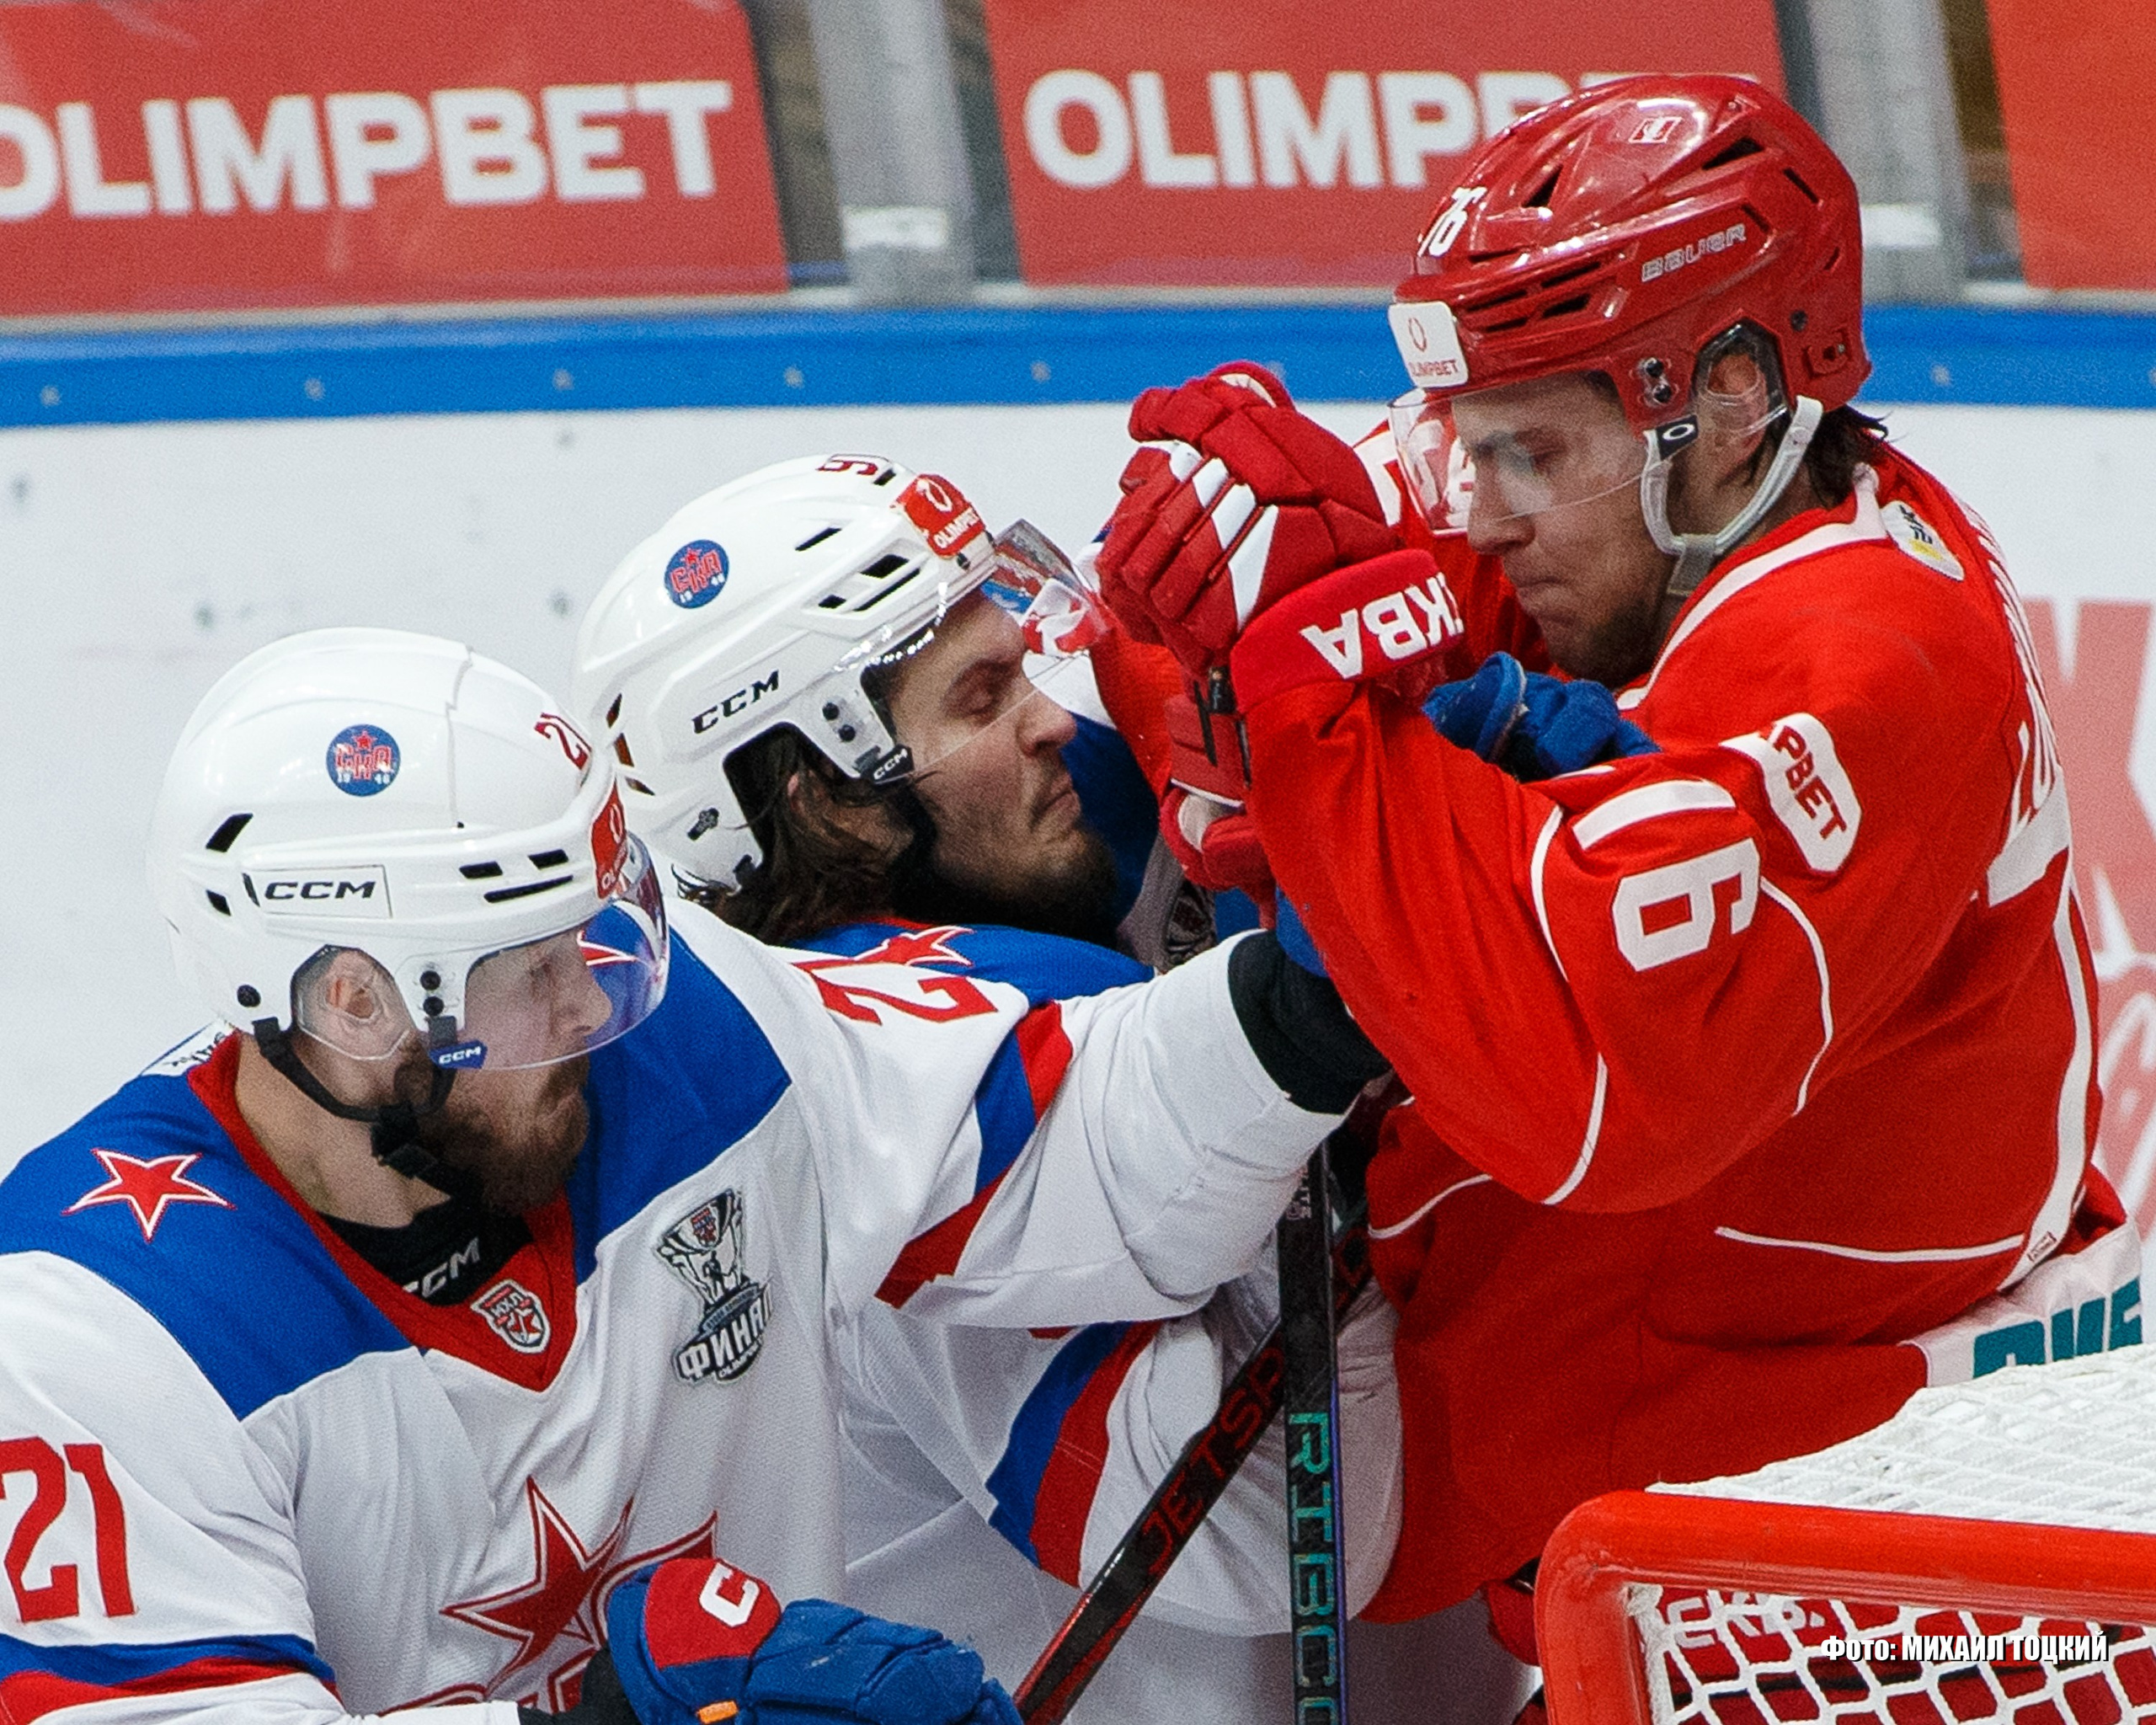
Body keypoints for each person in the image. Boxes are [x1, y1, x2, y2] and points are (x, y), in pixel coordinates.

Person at [1091, 72, 2132, 1653]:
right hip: (1675, 1458)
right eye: (1470, 448)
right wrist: (1232, 589)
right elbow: (1291, 572)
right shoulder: (1664, 511)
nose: (1482, 516)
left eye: (1526, 455)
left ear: (1728, 401)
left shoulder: (1870, 654)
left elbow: (1591, 1090)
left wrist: (1307, 723)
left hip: (1866, 1551)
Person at [0, 625, 1386, 1722]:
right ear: (356, 1005)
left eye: (596, 933)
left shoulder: (687, 1038)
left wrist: (1319, 999)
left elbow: (1066, 1140)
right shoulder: (95, 1330)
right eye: (535, 969)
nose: (595, 1002)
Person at [568, 456, 1404, 1722]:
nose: (1050, 719)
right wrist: (1318, 1102)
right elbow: (1270, 1543)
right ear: (826, 793)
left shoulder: (1035, 887)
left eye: (1023, 668)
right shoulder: (884, 1117)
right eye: (983, 697)